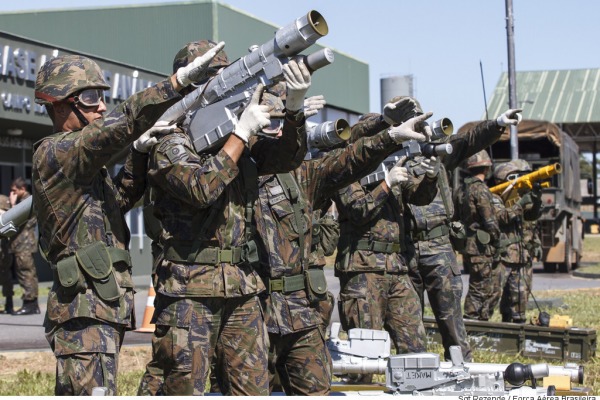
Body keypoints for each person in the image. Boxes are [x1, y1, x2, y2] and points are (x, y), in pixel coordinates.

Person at [32, 44, 221, 395]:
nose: (101, 106)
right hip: (82, 311)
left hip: (98, 307)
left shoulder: (85, 167)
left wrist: (137, 155)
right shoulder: (56, 152)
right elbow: (123, 121)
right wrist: (177, 84)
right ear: (59, 104)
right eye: (89, 97)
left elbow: (115, 203)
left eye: (101, 96)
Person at [140, 41, 308, 396]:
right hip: (189, 290)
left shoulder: (239, 140)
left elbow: (286, 158)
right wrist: (240, 135)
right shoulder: (170, 141)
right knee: (183, 387)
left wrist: (294, 107)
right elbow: (201, 187)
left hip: (243, 288)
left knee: (252, 389)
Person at [255, 96, 433, 394]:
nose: (276, 132)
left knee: (317, 387)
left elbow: (352, 155)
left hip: (302, 306)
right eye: (269, 124)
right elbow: (358, 208)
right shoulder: (237, 172)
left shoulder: (305, 173)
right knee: (260, 385)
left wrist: (390, 134)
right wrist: (385, 184)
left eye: (280, 124)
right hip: (258, 304)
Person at [332, 109, 440, 385]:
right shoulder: (346, 168)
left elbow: (419, 197)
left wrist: (430, 177)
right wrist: (386, 183)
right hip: (362, 271)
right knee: (365, 357)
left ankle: (417, 391)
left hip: (398, 268)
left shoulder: (390, 162)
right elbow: (358, 209)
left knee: (414, 347)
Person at [405, 106, 522, 361]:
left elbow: (469, 140)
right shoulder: (391, 154)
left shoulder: (438, 151)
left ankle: (461, 370)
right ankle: (416, 374)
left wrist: (498, 123)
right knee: (411, 323)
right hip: (405, 248)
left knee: (451, 320)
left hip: (438, 247)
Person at [455, 150, 531, 321]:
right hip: (482, 246)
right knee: (481, 286)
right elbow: (490, 221)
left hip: (468, 244)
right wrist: (497, 242)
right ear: (487, 168)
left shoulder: (461, 189)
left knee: (480, 284)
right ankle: (473, 321)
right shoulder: (481, 190)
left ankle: (478, 319)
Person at [490, 159, 543, 323]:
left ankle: (518, 326)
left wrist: (536, 200)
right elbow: (503, 218)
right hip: (503, 257)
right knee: (492, 295)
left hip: (522, 254)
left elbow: (531, 219)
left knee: (521, 296)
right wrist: (521, 202)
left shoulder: (520, 197)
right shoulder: (495, 197)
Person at [8, 177, 39, 315]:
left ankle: (30, 304)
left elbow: (15, 220)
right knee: (25, 273)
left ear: (23, 189)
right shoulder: (24, 201)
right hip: (21, 244)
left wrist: (13, 204)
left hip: (24, 244)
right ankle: (32, 304)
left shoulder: (26, 202)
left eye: (14, 191)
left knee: (26, 273)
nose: (12, 193)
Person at [0, 195, 14, 314]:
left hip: (4, 247)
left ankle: (9, 302)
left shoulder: (3, 200)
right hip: (4, 247)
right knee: (6, 275)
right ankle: (8, 303)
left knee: (6, 275)